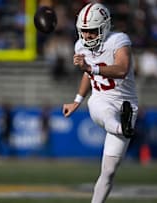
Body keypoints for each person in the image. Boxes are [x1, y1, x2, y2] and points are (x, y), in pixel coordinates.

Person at [62, 3, 138, 203]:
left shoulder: (119, 40)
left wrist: (90, 67)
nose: (87, 36)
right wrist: (77, 100)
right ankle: (123, 127)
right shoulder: (80, 46)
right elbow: (88, 75)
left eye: (92, 31)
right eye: (84, 31)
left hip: (125, 102)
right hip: (101, 98)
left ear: (104, 27)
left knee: (109, 171)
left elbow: (122, 69)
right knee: (100, 108)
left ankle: (122, 125)